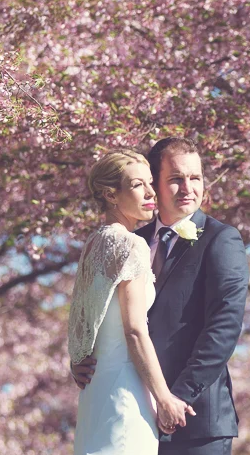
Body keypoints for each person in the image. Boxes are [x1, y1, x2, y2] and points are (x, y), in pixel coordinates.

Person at [72, 137, 250, 455]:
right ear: (154, 182)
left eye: (195, 178)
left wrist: (176, 397)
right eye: (176, 179)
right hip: (132, 406)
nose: (188, 188)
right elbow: (93, 308)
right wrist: (80, 357)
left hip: (193, 420)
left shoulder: (221, 239)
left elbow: (223, 328)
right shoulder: (128, 239)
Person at [69, 150, 196, 455]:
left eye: (150, 182)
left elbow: (81, 318)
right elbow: (135, 331)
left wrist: (76, 361)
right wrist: (164, 398)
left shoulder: (94, 244)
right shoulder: (131, 244)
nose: (152, 192)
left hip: (96, 391)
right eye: (138, 185)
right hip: (127, 391)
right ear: (111, 195)